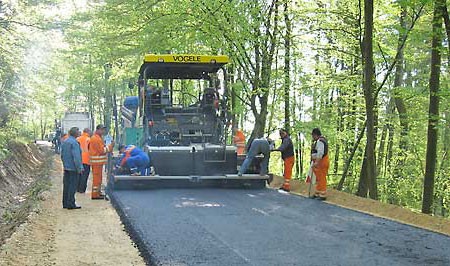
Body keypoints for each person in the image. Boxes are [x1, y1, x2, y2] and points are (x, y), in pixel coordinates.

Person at [88, 124, 114, 200]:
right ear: (98, 130)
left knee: (99, 178)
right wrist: (110, 146)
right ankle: (95, 194)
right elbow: (102, 150)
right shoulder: (96, 139)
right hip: (96, 162)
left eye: (104, 130)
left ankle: (98, 193)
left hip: (98, 163)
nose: (103, 131)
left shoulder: (98, 138)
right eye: (102, 130)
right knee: (96, 179)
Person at [60, 127, 83, 209]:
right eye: (78, 131)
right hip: (73, 168)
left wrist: (65, 164)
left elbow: (62, 155)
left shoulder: (65, 142)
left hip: (66, 168)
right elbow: (76, 157)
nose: (80, 133)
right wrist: (79, 168)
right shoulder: (75, 143)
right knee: (72, 186)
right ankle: (71, 204)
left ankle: (65, 203)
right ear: (75, 133)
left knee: (66, 185)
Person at [311, 128, 329, 200]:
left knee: (321, 178)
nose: (312, 137)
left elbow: (320, 153)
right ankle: (317, 192)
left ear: (315, 135)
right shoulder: (321, 140)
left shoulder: (320, 141)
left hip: (322, 162)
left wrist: (316, 162)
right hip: (321, 162)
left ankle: (323, 194)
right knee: (319, 178)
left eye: (313, 135)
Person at [77, 128, 92, 193]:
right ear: (88, 132)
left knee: (78, 175)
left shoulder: (77, 139)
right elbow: (91, 150)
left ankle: (77, 189)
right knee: (84, 176)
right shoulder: (89, 139)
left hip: (78, 160)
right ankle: (82, 190)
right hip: (86, 160)